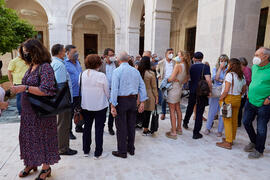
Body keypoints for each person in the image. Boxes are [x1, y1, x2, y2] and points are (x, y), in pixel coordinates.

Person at [11, 39, 60, 180]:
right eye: (24, 53)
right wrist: (20, 87)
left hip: (41, 112)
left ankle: (46, 168)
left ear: (36, 51)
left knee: (43, 139)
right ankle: (31, 163)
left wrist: (25, 88)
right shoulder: (32, 66)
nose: (25, 55)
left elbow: (47, 90)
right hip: (28, 112)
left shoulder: (45, 67)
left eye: (27, 52)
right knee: (28, 138)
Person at [110, 51, 147, 158]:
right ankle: (131, 148)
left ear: (118, 60)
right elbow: (142, 86)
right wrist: (142, 102)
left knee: (121, 127)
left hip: (121, 101)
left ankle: (122, 151)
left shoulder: (117, 71)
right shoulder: (135, 71)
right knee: (131, 125)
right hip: (132, 101)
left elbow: (114, 89)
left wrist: (113, 105)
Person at [81, 54, 110, 159]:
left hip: (86, 105)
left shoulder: (82, 74)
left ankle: (86, 150)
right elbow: (107, 92)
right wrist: (109, 99)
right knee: (99, 129)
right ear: (98, 63)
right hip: (100, 106)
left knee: (87, 128)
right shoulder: (101, 76)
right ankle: (98, 153)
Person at [243, 47, 270, 159]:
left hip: (264, 104)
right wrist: (249, 92)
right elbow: (253, 82)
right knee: (246, 122)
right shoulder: (254, 67)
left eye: (257, 55)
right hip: (250, 101)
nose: (255, 57)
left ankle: (259, 149)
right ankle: (254, 142)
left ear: (266, 56)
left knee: (261, 128)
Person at [51, 44, 77, 156]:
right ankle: (63, 148)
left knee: (61, 123)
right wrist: (65, 102)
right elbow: (61, 85)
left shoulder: (55, 63)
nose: (65, 53)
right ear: (60, 52)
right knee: (63, 124)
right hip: (62, 99)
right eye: (63, 51)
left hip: (60, 99)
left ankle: (61, 146)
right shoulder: (59, 65)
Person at [216, 58, 246, 150]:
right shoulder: (242, 76)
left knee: (227, 120)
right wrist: (238, 94)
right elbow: (244, 89)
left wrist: (220, 98)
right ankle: (231, 138)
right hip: (237, 99)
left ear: (231, 65)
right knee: (234, 120)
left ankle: (228, 142)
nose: (227, 65)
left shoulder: (230, 75)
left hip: (229, 98)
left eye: (228, 64)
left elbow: (226, 90)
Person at [182, 52, 212, 139]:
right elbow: (208, 80)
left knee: (190, 107)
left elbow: (187, 78)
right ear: (202, 58)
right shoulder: (205, 67)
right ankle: (196, 133)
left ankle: (185, 122)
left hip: (192, 90)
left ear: (194, 58)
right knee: (199, 111)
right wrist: (210, 91)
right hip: (202, 92)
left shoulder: (191, 67)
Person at [165, 51, 190, 139]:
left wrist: (168, 79)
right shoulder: (186, 66)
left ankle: (173, 132)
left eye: (178, 55)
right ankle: (179, 128)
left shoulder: (178, 65)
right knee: (178, 108)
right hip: (179, 87)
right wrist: (179, 81)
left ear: (183, 57)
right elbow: (186, 80)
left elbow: (171, 78)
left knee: (172, 110)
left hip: (173, 89)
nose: (176, 57)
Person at [204, 54, 229, 137]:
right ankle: (208, 128)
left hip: (225, 92)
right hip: (216, 92)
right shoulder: (215, 68)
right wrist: (220, 69)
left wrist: (221, 80)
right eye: (221, 61)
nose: (223, 62)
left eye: (225, 61)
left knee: (223, 112)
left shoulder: (229, 70)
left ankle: (220, 130)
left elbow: (227, 80)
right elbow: (215, 78)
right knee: (212, 111)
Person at [65, 45, 83, 139]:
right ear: (67, 53)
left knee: (79, 110)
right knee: (70, 113)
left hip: (79, 91)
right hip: (71, 93)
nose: (76, 54)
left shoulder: (77, 62)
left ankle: (79, 126)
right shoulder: (64, 63)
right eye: (74, 52)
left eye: (76, 52)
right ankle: (69, 132)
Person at [99, 48, 118, 136]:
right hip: (103, 91)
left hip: (114, 90)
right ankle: (101, 127)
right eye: (111, 55)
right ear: (105, 56)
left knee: (112, 109)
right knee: (103, 109)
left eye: (113, 55)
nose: (112, 57)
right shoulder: (101, 64)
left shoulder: (117, 64)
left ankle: (110, 127)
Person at [138, 56, 158, 135]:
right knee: (147, 113)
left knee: (140, 111)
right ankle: (145, 129)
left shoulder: (138, 72)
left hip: (139, 94)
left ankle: (139, 124)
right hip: (149, 94)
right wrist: (156, 97)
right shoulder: (151, 73)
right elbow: (154, 87)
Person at [7, 49, 29, 116]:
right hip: (18, 83)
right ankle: (20, 114)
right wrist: (11, 83)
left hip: (28, 83)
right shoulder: (14, 61)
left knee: (28, 99)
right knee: (20, 99)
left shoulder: (27, 60)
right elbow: (9, 72)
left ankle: (28, 113)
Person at [156, 48, 175, 120]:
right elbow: (157, 70)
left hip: (172, 82)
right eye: (170, 53)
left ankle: (172, 113)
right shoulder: (161, 62)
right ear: (166, 54)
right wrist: (158, 76)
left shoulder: (175, 62)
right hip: (164, 82)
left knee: (172, 98)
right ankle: (163, 113)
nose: (171, 54)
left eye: (172, 53)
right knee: (164, 99)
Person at [238, 57, 252, 127]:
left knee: (240, 107)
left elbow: (249, 81)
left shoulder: (247, 69)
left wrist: (243, 82)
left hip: (245, 91)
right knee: (240, 107)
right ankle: (238, 122)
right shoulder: (242, 69)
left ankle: (238, 122)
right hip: (243, 90)